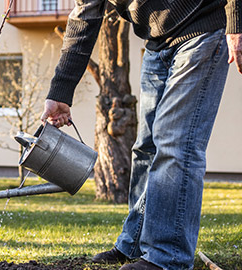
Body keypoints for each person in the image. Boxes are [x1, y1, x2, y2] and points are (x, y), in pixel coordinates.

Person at [40, 1, 242, 269]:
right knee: (145, 149)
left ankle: (167, 257)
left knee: (175, 144)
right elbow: (83, 20)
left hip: (202, 28)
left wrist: (236, 23)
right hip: (157, 42)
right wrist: (59, 93)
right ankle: (134, 243)